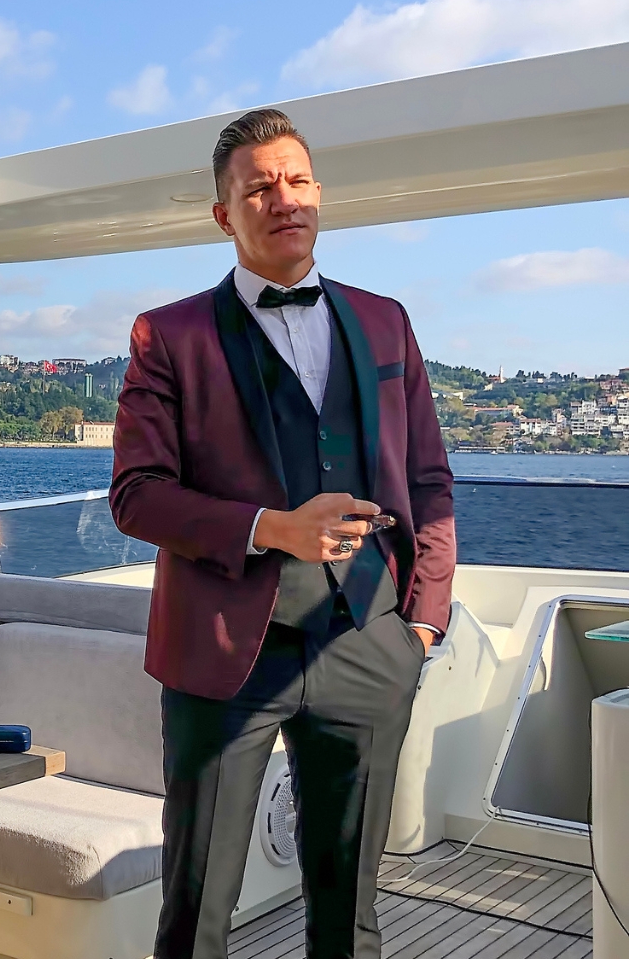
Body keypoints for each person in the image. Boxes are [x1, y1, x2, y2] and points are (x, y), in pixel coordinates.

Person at [110, 108, 455, 959]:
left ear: (319, 193)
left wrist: (421, 623)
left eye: (296, 180)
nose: (283, 198)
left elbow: (428, 479)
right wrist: (270, 529)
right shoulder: (169, 334)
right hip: (226, 650)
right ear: (224, 214)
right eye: (259, 187)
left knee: (352, 914)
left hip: (369, 640)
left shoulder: (386, 321)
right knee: (196, 910)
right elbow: (137, 496)